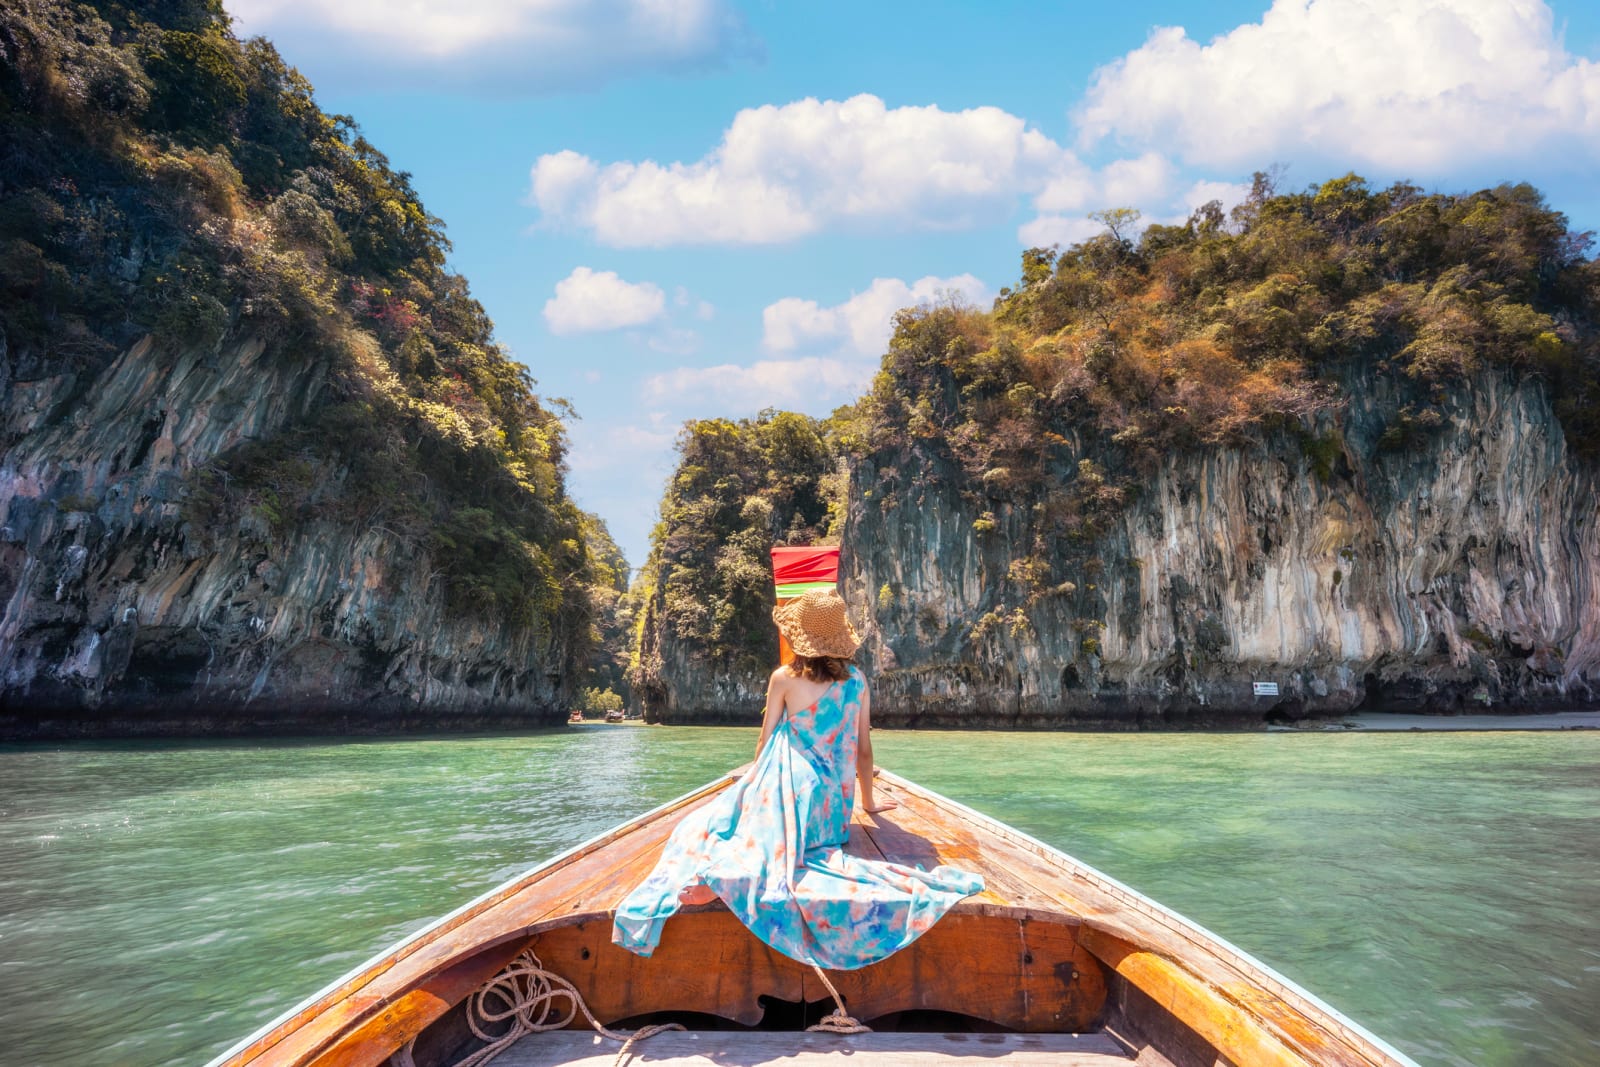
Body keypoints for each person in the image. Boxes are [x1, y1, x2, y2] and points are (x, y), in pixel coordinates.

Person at [611, 588, 983, 971]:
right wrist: (868, 804)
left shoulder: (784, 678)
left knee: (719, 829)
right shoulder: (856, 680)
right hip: (829, 804)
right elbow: (863, 751)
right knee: (797, 846)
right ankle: (730, 879)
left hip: (787, 778)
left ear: (799, 637)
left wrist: (752, 785)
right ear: (840, 638)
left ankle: (728, 879)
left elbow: (766, 738)